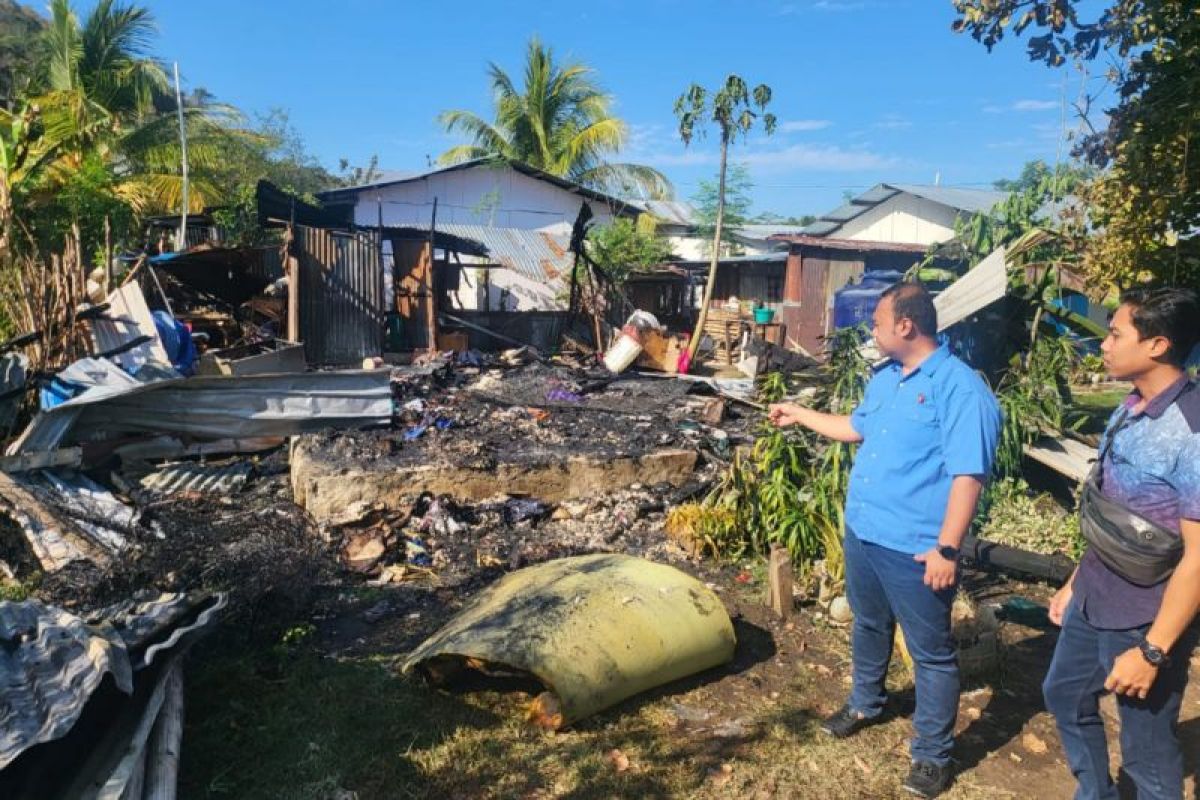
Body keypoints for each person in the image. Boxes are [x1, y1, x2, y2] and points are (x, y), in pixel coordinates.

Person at [769, 282, 1001, 798]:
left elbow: (969, 475)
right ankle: (864, 702)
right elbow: (856, 428)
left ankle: (932, 755)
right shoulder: (887, 380)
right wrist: (799, 414)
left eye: (876, 322)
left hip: (915, 546)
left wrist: (947, 548)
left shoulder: (960, 389)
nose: (871, 331)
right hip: (865, 532)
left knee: (932, 654)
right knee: (869, 623)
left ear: (906, 325)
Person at [1042, 287, 1200, 800]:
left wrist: (1153, 651)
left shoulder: (1191, 433)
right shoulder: (1131, 407)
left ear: (1157, 344)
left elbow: (1198, 557)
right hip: (1095, 594)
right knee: (1064, 694)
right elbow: (1115, 515)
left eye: (1115, 333)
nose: (1103, 344)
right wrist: (1074, 582)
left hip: (1144, 614)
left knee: (1147, 755)